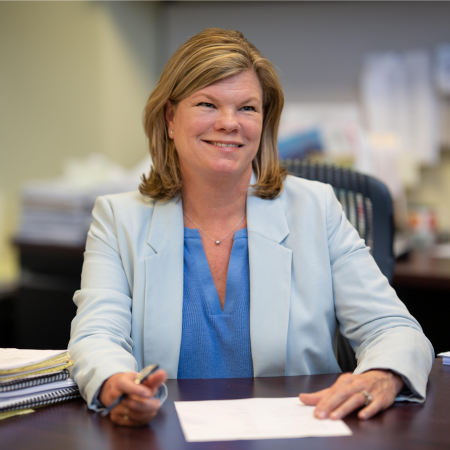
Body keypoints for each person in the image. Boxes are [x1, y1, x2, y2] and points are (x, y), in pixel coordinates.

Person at [69, 28, 433, 427]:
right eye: (208, 104)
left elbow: (394, 328)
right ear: (170, 117)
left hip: (297, 432)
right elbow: (95, 337)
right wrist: (114, 382)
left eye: (247, 108)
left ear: (264, 122)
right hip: (164, 433)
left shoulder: (316, 208)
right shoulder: (118, 219)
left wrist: (381, 375)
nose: (229, 123)